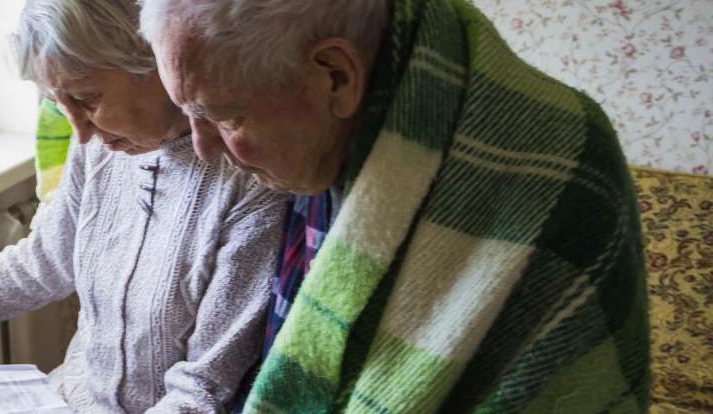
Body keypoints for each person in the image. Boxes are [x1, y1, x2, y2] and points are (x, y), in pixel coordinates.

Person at [140, 0, 650, 413]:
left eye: (224, 117)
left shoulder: (561, 168)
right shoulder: (320, 147)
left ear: (336, 76)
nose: (204, 148)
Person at [0, 0, 290, 412]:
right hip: (63, 400)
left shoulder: (253, 180)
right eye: (59, 103)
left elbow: (203, 389)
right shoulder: (99, 148)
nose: (80, 134)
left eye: (87, 99)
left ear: (155, 61)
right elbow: (45, 261)